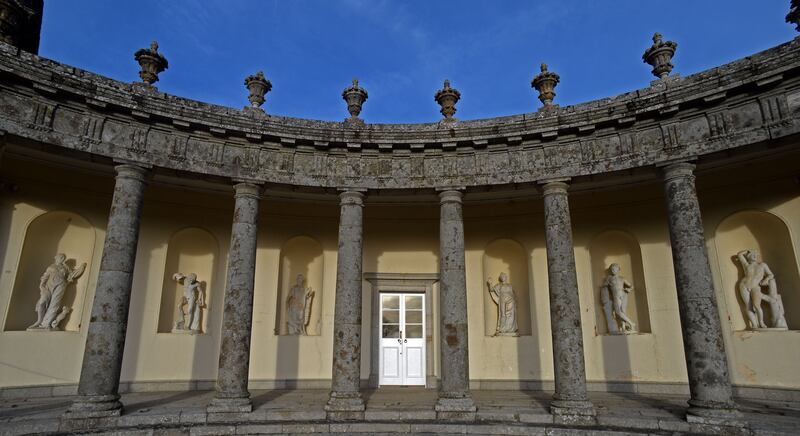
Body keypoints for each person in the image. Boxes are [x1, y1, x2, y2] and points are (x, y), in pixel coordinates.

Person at [29, 253, 85, 330]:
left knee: (55, 304)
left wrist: (81, 268)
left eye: (63, 258)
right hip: (48, 287)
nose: (62, 259)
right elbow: (44, 277)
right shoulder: (51, 267)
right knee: (42, 302)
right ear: (56, 258)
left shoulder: (66, 267)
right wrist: (42, 286)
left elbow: (73, 274)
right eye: (61, 257)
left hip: (61, 286)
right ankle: (39, 321)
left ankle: (46, 323)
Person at [600, 263, 635, 333]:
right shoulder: (609, 278)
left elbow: (631, 286)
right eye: (612, 269)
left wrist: (629, 289)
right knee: (619, 312)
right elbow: (604, 286)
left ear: (618, 270)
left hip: (623, 295)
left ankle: (628, 325)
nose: (613, 270)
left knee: (621, 311)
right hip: (616, 295)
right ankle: (627, 326)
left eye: (615, 269)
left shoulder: (622, 278)